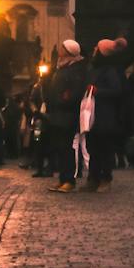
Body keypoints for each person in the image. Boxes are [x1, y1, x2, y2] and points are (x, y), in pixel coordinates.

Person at [82, 38, 128, 191]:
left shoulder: (110, 71)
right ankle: (93, 178)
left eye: (97, 48)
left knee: (105, 149)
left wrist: (97, 91)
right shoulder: (92, 68)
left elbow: (117, 91)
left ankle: (105, 179)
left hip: (105, 116)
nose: (94, 49)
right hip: (93, 115)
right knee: (93, 148)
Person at [45, 40, 87, 193]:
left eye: (63, 48)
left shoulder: (75, 69)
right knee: (59, 147)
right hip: (57, 113)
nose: (60, 50)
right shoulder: (61, 68)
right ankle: (63, 178)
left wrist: (64, 99)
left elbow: (75, 92)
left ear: (69, 51)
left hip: (67, 114)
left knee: (67, 148)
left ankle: (69, 179)